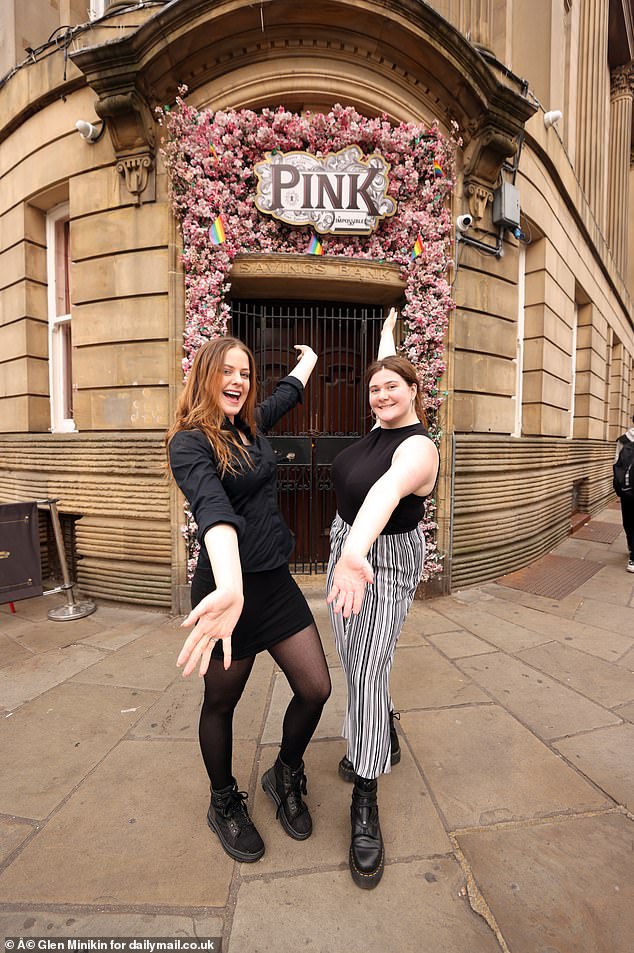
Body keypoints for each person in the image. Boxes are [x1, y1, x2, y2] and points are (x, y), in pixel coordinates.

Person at [167, 336, 331, 863]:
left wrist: (305, 365)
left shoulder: (250, 424)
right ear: (205, 375)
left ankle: (284, 771)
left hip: (275, 588)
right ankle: (222, 801)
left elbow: (281, 397)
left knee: (316, 689)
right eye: (227, 371)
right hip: (226, 595)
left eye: (245, 373)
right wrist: (231, 585)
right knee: (220, 703)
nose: (237, 381)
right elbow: (213, 510)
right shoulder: (189, 443)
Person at [326, 308, 439, 889]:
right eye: (373, 388)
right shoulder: (380, 423)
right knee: (353, 663)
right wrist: (388, 338)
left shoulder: (419, 448)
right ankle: (382, 725)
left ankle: (366, 795)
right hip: (346, 550)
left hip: (381, 560)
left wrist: (356, 554)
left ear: (416, 391)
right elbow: (388, 361)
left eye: (393, 386)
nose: (380, 394)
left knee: (368, 674)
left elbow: (388, 493)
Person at [613, 413, 634, 572]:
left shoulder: (623, 440)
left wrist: (618, 489)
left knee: (628, 520)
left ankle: (631, 545)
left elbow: (616, 465)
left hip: (627, 489)